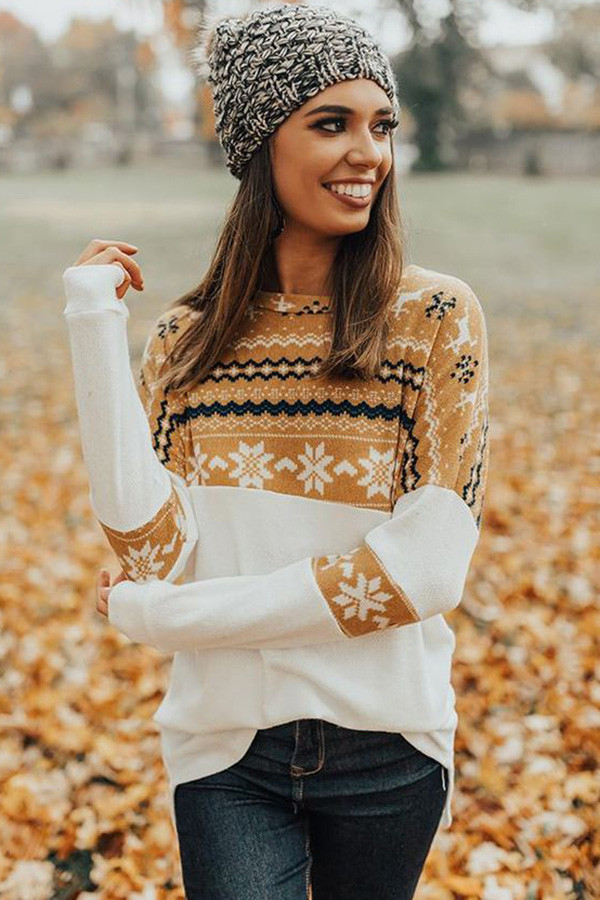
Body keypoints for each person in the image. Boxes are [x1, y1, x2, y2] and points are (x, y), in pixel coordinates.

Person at [61, 3, 490, 898]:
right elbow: (151, 552)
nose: (367, 153)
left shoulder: (434, 323)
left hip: (388, 749)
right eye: (329, 123)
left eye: (381, 125)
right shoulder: (184, 343)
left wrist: (165, 619)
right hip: (226, 753)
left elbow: (421, 576)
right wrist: (94, 321)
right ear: (260, 146)